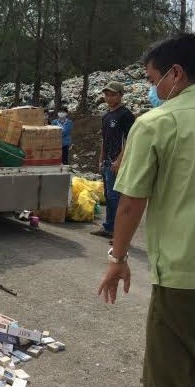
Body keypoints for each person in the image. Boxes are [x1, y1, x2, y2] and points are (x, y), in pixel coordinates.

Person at [97, 33, 195, 387]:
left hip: (183, 277)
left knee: (168, 371)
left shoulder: (156, 123)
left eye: (153, 80)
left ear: (176, 74)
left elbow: (131, 204)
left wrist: (117, 259)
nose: (152, 89)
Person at [91, 81, 135, 239]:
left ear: (121, 95)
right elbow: (105, 139)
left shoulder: (125, 115)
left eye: (113, 95)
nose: (109, 98)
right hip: (107, 161)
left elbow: (130, 139)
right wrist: (101, 157)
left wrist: (119, 160)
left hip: (118, 162)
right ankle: (109, 227)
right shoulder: (106, 116)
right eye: (107, 95)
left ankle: (118, 232)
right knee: (108, 196)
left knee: (116, 197)